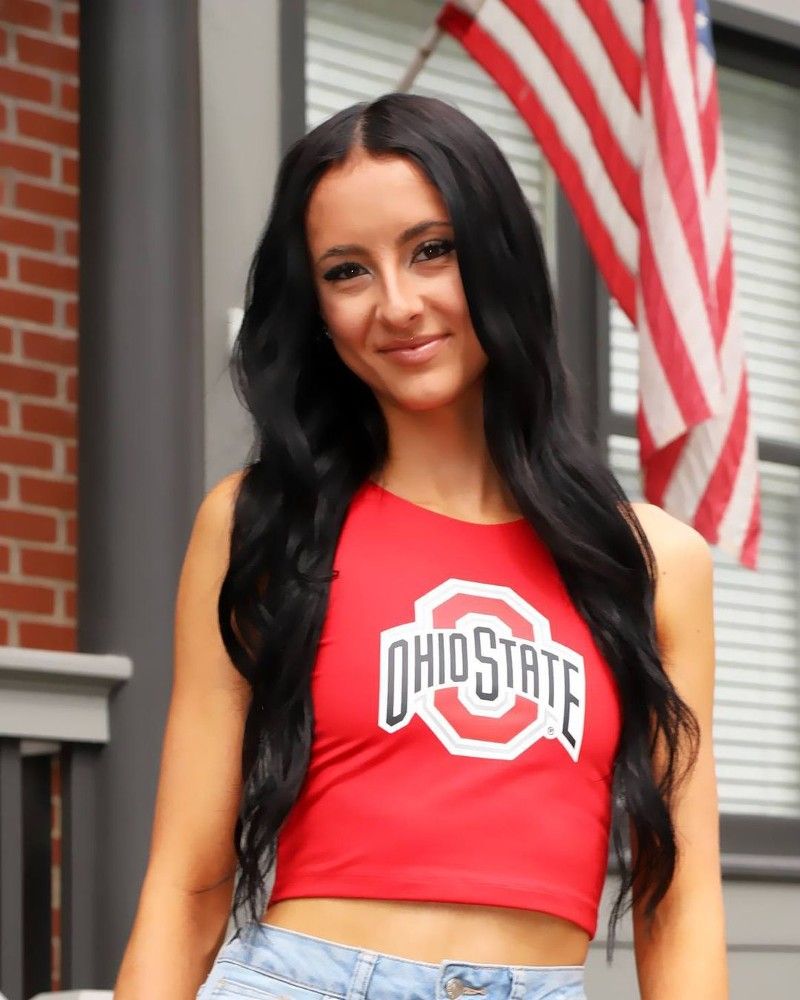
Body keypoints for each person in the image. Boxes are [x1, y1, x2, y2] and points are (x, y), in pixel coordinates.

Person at [114, 92, 728, 1000]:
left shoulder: (651, 562)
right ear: (315, 306)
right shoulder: (261, 525)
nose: (397, 305)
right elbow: (188, 883)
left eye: (431, 250)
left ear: (498, 255)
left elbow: (676, 905)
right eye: (347, 271)